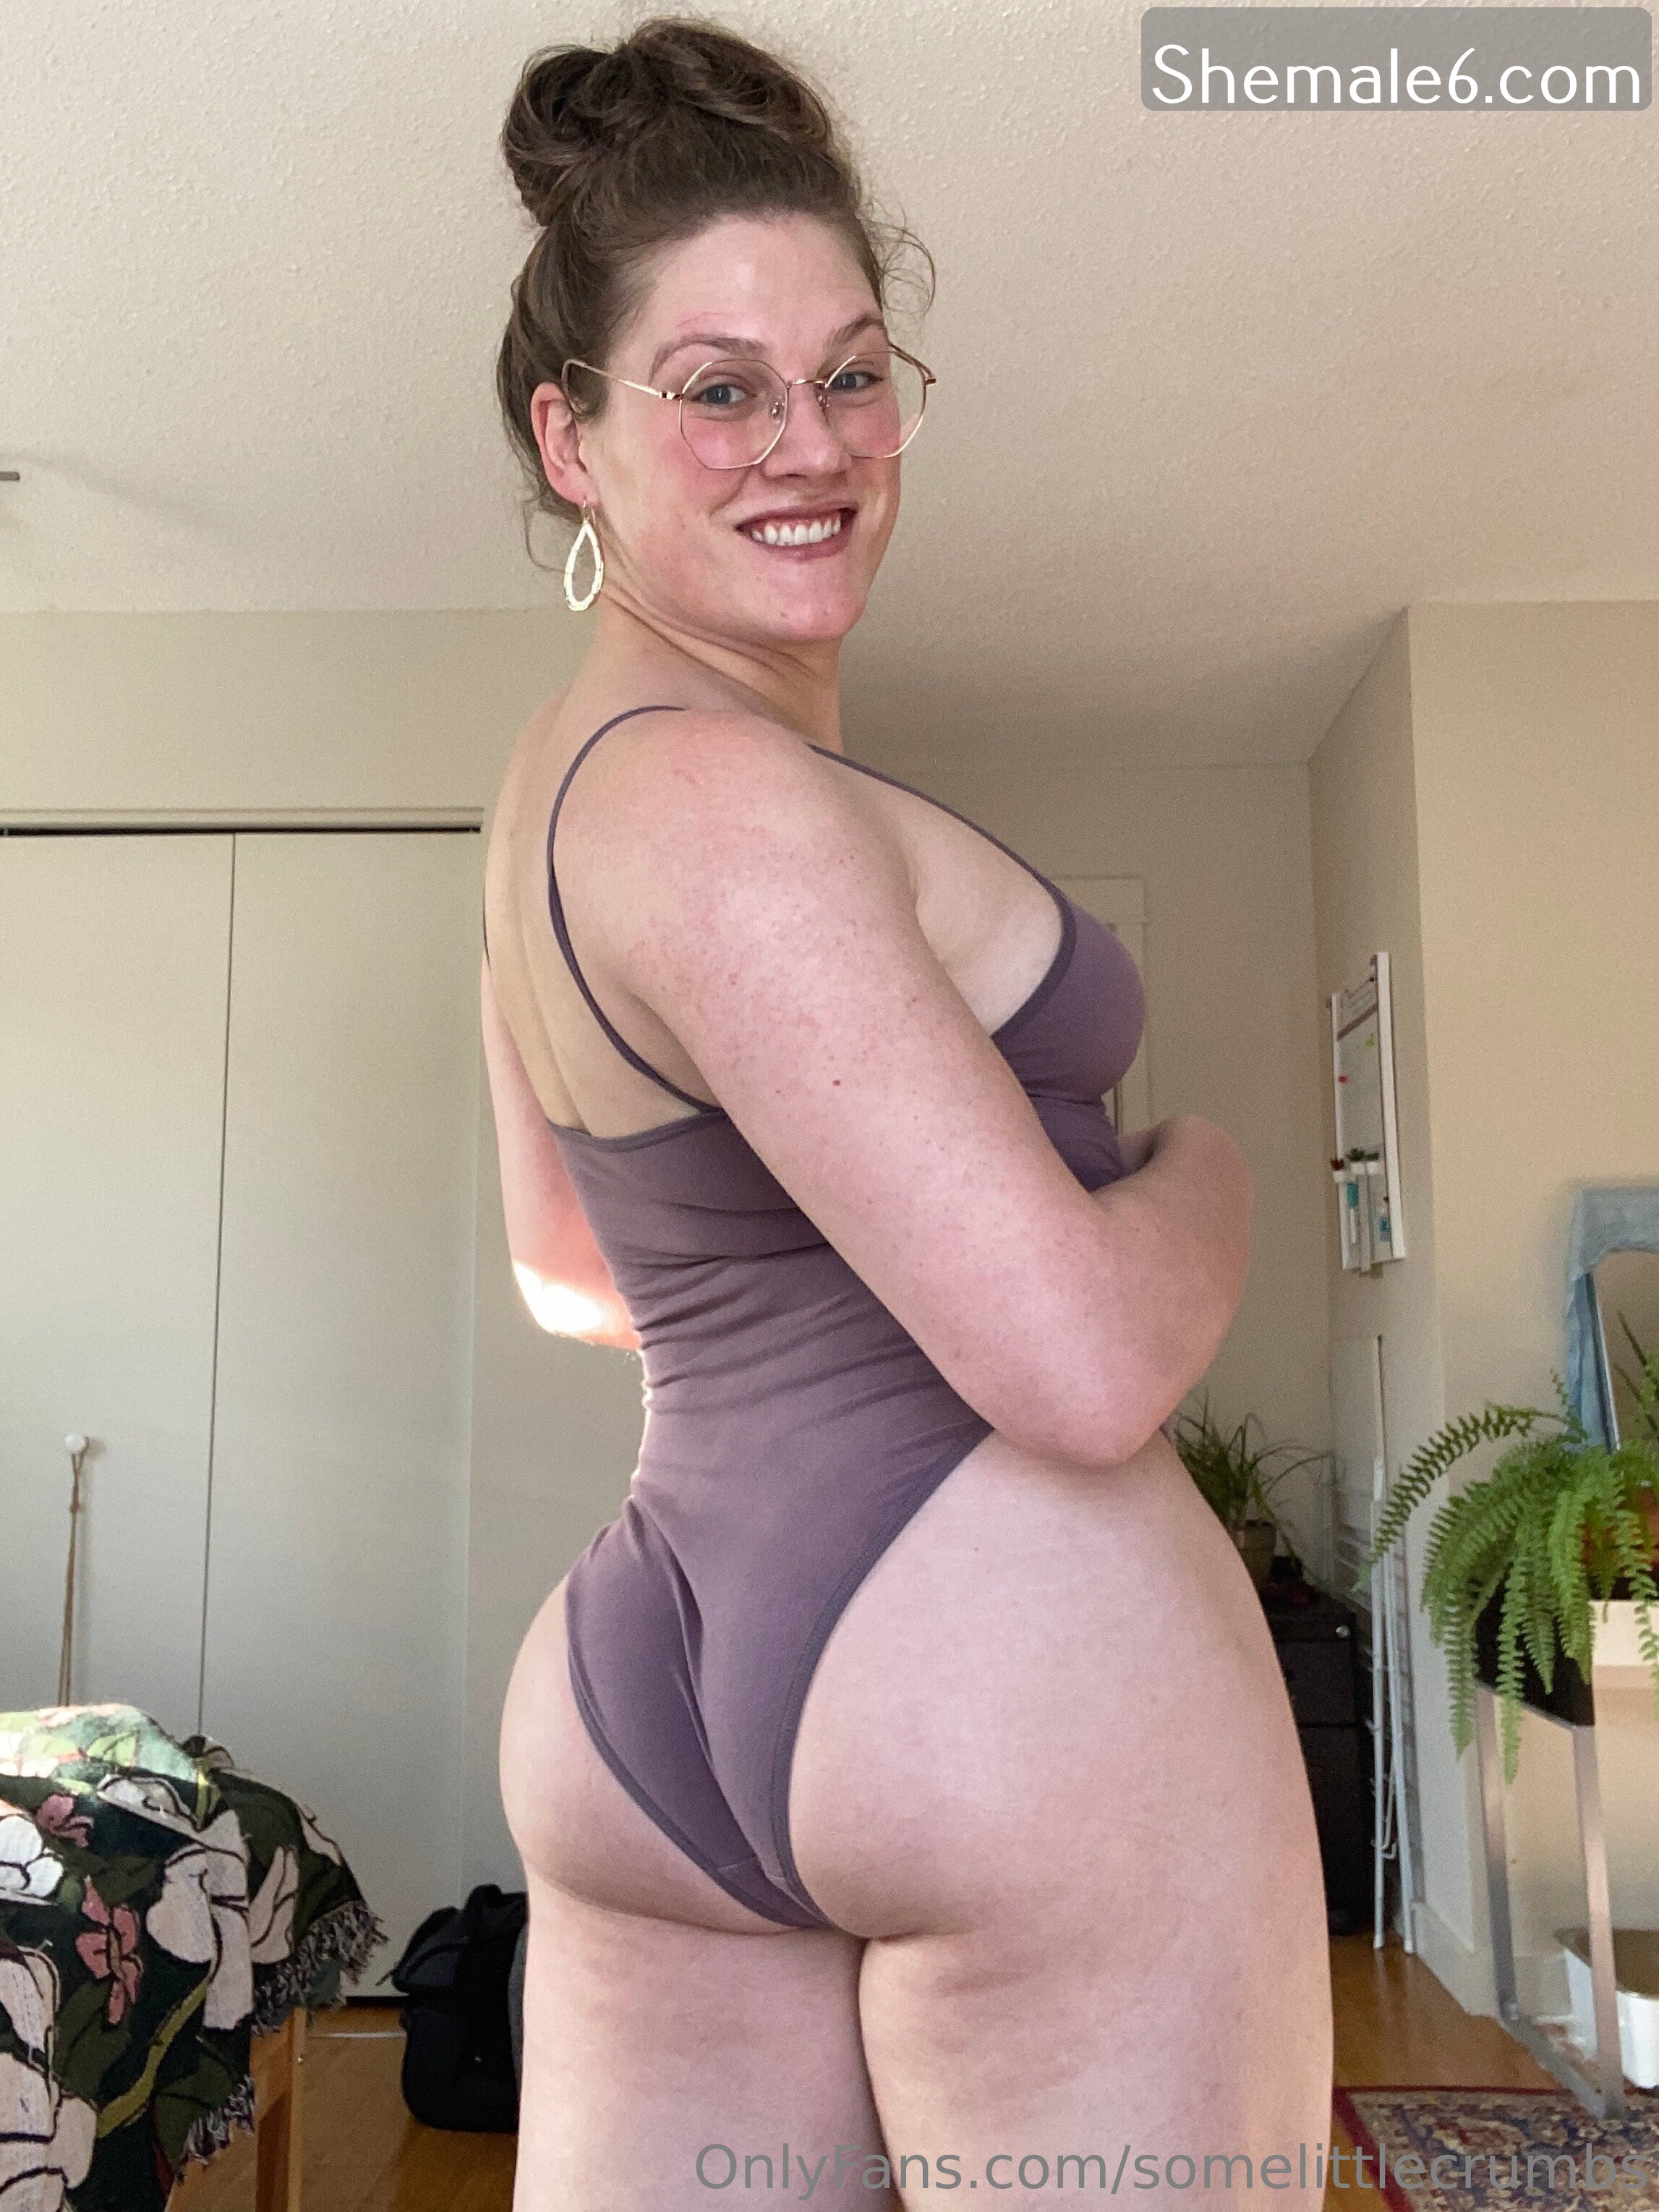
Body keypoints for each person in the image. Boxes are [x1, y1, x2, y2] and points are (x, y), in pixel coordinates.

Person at [479, 20, 1331, 2209]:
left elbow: (571, 1272)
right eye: (723, 387)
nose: (814, 443)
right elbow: (1086, 1364)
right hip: (997, 1698)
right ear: (574, 437)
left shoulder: (548, 803)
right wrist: (1209, 1170)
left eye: (855, 375)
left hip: (654, 1714)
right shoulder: (717, 796)